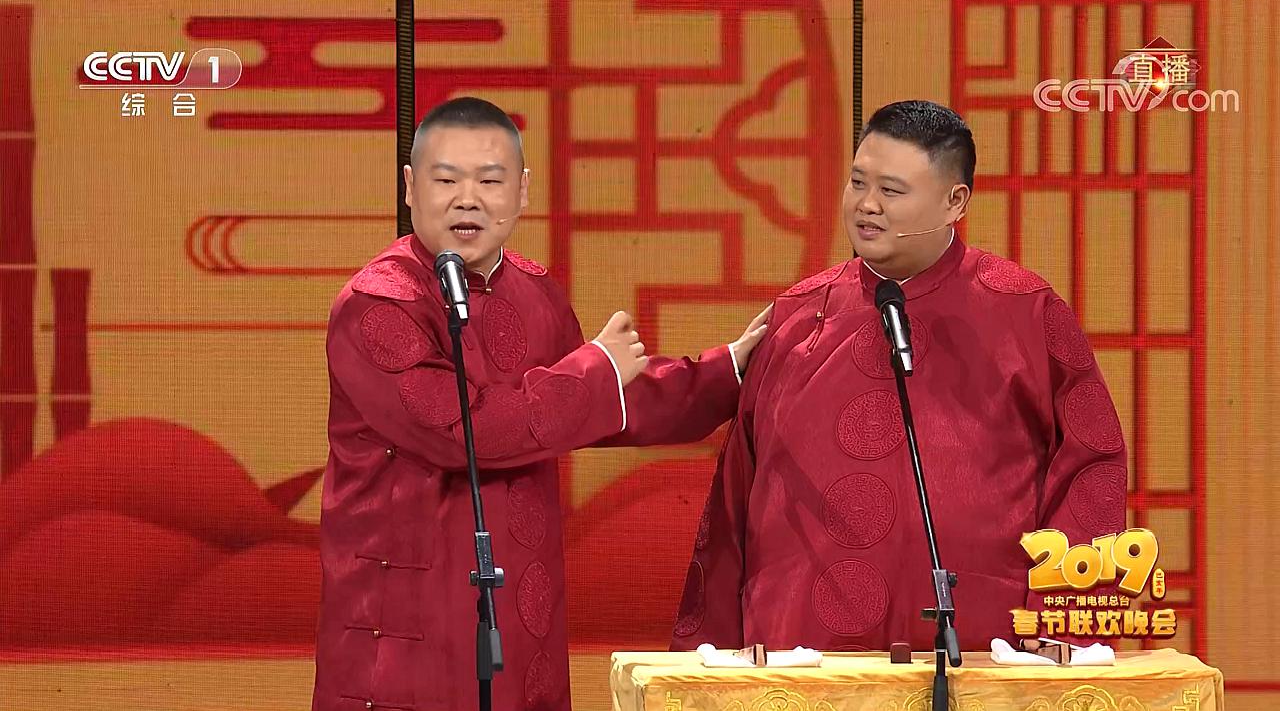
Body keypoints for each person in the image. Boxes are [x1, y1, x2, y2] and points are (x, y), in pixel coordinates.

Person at [312, 97, 769, 711]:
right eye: (446, 181)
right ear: (410, 187)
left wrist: (730, 369)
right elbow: (463, 430)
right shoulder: (379, 305)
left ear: (523, 190)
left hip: (520, 608)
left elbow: (604, 401)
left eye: (489, 181)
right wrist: (596, 371)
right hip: (407, 617)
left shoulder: (534, 290)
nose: (467, 200)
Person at [671, 100, 1128, 653]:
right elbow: (736, 492)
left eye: (891, 190)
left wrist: (1061, 623)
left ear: (955, 201)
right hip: (804, 648)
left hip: (983, 641)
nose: (867, 205)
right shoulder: (797, 316)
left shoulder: (1024, 311)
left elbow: (1090, 468)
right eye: (857, 182)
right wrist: (716, 655)